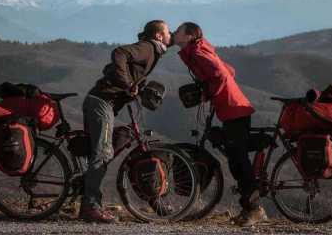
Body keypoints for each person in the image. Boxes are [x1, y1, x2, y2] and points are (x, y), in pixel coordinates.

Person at [172, 22, 264, 226]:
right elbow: (229, 70)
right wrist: (213, 92)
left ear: (188, 36)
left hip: (233, 109)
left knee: (238, 160)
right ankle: (249, 207)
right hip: (233, 107)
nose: (174, 34)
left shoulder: (197, 53)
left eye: (178, 31)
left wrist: (209, 92)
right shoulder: (199, 49)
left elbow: (222, 74)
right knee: (234, 158)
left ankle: (255, 208)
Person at [79, 20, 172, 223]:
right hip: (102, 101)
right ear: (158, 36)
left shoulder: (154, 49)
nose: (170, 34)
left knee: (105, 149)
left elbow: (173, 41)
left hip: (106, 102)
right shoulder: (148, 48)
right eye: (168, 32)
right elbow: (120, 53)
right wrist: (127, 84)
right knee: (102, 153)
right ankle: (90, 207)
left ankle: (86, 194)